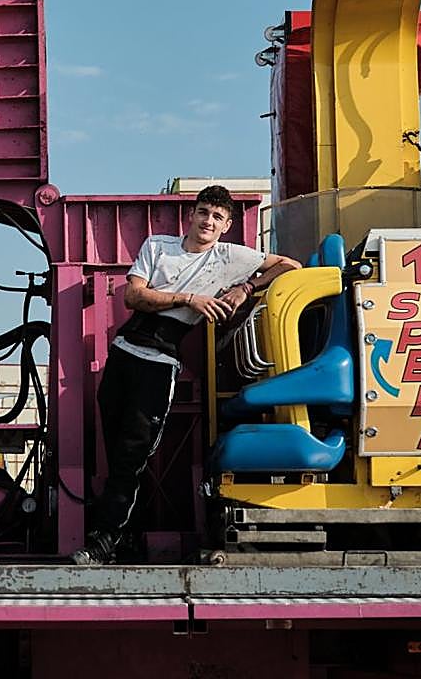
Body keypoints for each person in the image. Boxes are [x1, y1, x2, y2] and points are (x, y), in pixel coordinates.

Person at [71, 185, 301, 565]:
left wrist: (245, 288)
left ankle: (104, 542)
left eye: (217, 217)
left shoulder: (230, 257)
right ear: (191, 216)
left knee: (132, 454)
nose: (208, 222)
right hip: (123, 354)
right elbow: (133, 296)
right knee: (115, 451)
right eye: (203, 213)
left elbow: (290, 265)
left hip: (159, 365)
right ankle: (123, 538)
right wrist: (189, 299)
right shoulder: (158, 246)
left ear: (226, 226)